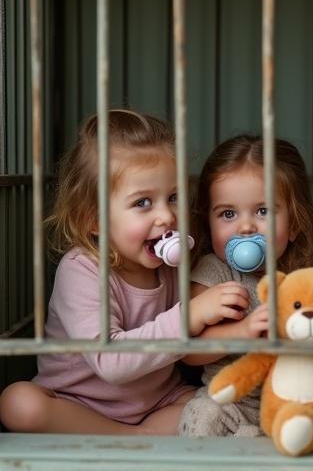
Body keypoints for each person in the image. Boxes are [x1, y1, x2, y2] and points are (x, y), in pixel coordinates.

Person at [0, 110, 249, 435]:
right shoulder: (82, 269)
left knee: (211, 406)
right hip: (77, 405)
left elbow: (188, 350)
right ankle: (131, 438)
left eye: (173, 197)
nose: (166, 216)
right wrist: (189, 316)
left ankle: (141, 437)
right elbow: (111, 362)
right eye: (143, 203)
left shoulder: (176, 263)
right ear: (95, 219)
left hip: (159, 402)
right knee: (18, 402)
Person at [178, 135, 313, 437]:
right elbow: (188, 353)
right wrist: (242, 332)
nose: (246, 227)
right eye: (228, 214)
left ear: (294, 223)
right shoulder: (212, 272)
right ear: (208, 223)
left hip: (294, 400)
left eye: (263, 211)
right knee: (201, 414)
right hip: (232, 401)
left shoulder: (308, 277)